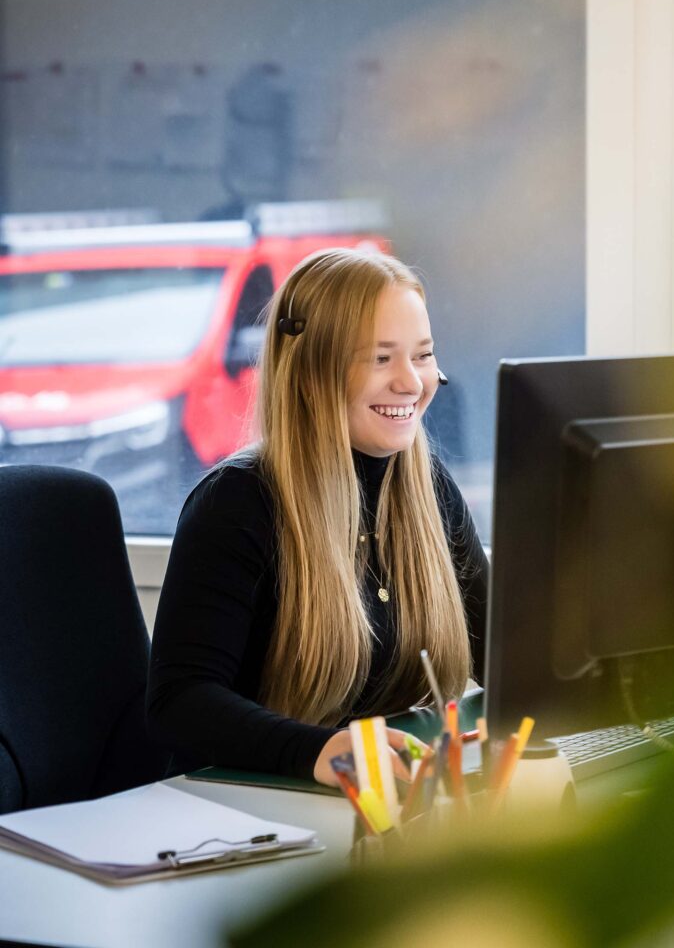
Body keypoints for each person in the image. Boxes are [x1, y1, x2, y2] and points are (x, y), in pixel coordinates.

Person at [146, 248, 488, 786]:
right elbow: (182, 702)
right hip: (246, 812)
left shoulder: (429, 490)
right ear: (310, 374)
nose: (410, 382)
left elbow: (506, 655)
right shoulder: (237, 503)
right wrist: (326, 751)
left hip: (377, 802)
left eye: (422, 355)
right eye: (380, 358)